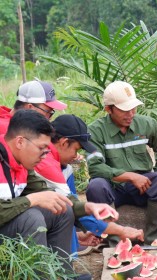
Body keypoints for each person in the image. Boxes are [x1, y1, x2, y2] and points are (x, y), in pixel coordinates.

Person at [0, 110, 118, 280]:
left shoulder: (21, 163)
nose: (44, 155)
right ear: (20, 142)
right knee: (31, 216)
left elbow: (48, 193)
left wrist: (87, 207)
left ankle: (62, 275)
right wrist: (32, 200)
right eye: (41, 148)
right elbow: (34, 199)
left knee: (61, 209)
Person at [33, 114, 144, 255]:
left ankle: (69, 259)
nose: (76, 155)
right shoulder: (46, 164)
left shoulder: (61, 165)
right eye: (76, 149)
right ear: (64, 142)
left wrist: (77, 235)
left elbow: (73, 205)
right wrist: (121, 230)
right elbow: (72, 208)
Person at [86, 81, 157, 244]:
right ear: (109, 109)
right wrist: (129, 176)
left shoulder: (146, 123)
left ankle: (153, 238)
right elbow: (95, 167)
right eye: (124, 110)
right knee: (96, 185)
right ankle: (114, 240)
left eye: (133, 108)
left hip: (143, 186)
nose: (131, 114)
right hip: (113, 188)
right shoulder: (95, 130)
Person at [0, 80, 67, 133]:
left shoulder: (21, 124)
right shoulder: (7, 129)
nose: (50, 118)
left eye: (51, 112)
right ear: (29, 108)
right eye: (47, 112)